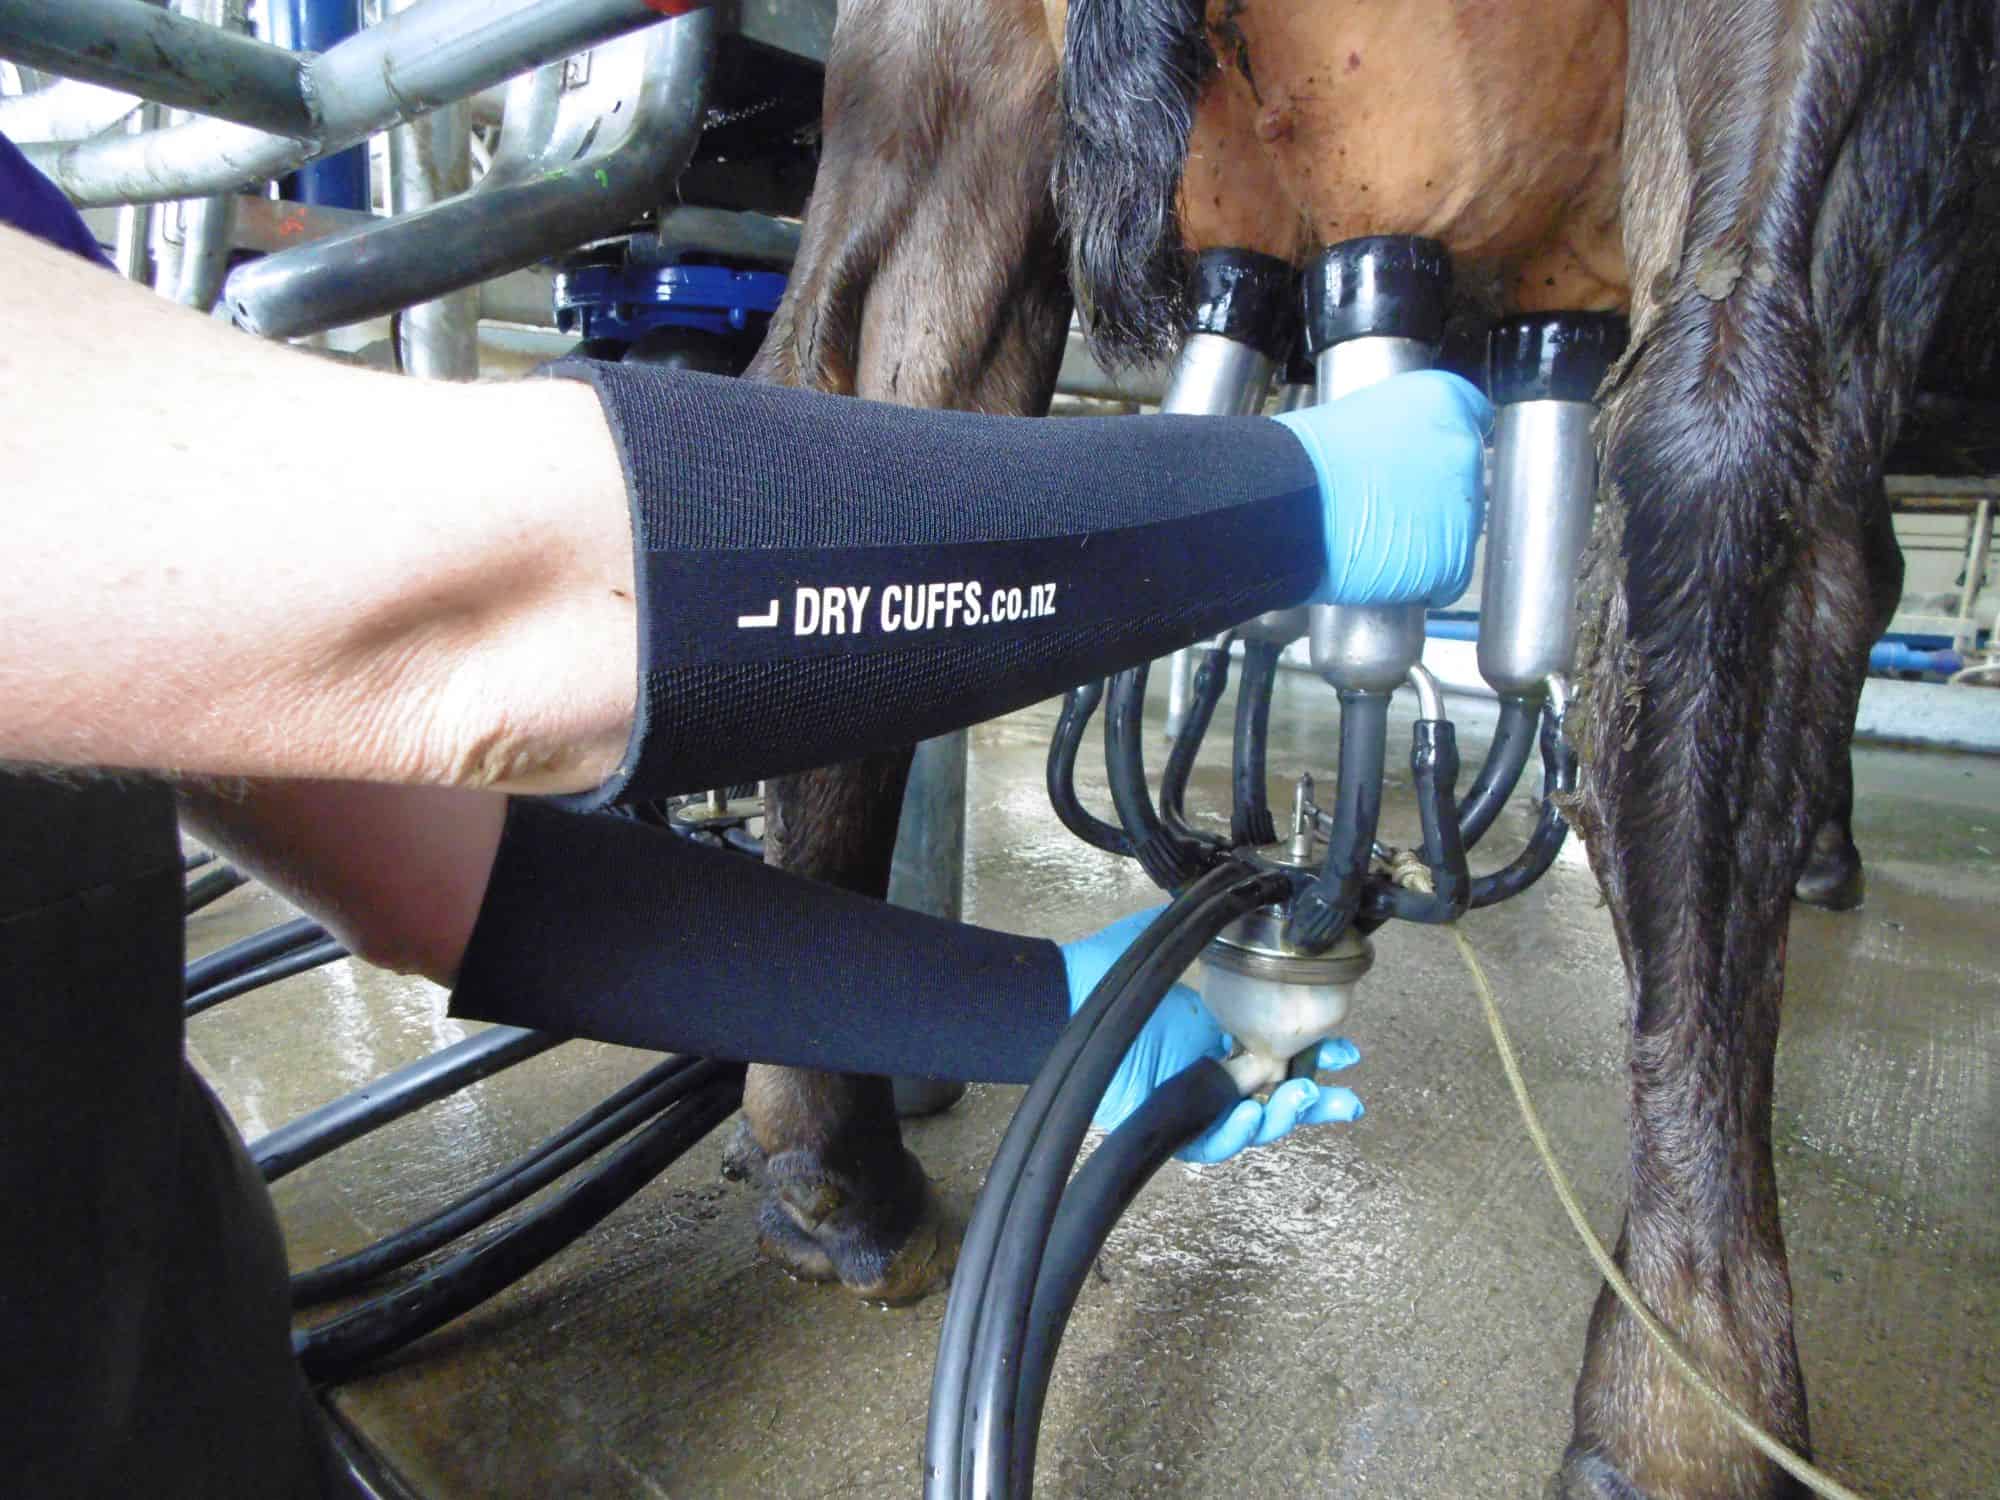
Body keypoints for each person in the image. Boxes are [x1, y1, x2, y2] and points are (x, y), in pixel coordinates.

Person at [0, 127, 1491, 1497]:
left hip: (180, 1394)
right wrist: (1284, 504)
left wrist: (1043, 1015)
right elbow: (473, 623)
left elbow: (430, 868)